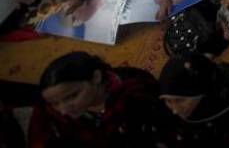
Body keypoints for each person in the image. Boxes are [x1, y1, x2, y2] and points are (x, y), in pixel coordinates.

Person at [28, 51, 175, 147]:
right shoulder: (51, 107)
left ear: (96, 77)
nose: (63, 110)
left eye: (72, 96)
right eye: (55, 103)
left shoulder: (137, 94)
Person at [158, 52, 229, 147]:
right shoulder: (179, 108)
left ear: (201, 92)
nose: (175, 111)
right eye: (168, 101)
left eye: (180, 100)